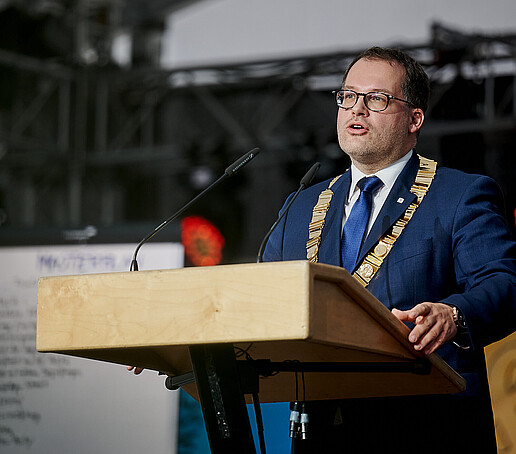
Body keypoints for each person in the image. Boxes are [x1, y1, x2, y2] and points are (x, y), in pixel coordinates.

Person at [263, 47, 516, 453]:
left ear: (415, 118)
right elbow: (258, 298)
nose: (356, 110)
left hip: (426, 427)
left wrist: (454, 314)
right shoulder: (300, 206)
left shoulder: (460, 194)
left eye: (376, 99)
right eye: (347, 96)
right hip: (324, 428)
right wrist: (188, 340)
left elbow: (504, 283)